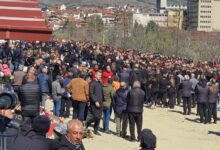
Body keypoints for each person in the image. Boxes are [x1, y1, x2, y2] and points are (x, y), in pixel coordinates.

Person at [85, 70, 104, 135]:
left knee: (99, 117)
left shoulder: (100, 83)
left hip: (100, 102)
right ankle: (86, 123)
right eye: (99, 75)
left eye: (100, 75)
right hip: (95, 103)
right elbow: (91, 93)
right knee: (95, 116)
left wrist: (102, 100)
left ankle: (96, 130)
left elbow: (101, 93)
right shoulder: (92, 83)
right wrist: (95, 101)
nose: (100, 76)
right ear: (95, 75)